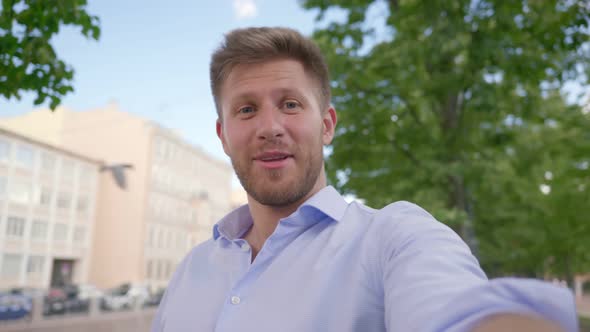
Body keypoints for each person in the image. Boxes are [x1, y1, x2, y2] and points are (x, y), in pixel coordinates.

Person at [151, 27, 577, 332]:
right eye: (246, 110)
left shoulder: (393, 238)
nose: (269, 126)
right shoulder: (192, 270)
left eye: (291, 104)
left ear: (328, 125)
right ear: (224, 135)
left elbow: (456, 310)